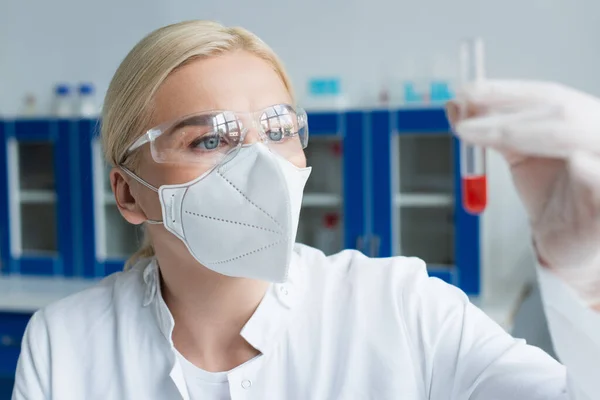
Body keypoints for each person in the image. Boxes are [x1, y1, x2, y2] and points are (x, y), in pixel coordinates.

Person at [12, 20, 600, 400]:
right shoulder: (66, 344)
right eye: (209, 138)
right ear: (127, 192)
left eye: (277, 129)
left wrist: (589, 282)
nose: (260, 163)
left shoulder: (402, 306)